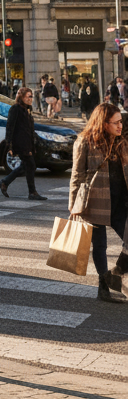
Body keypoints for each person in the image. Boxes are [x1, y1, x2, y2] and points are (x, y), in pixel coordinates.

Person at [69, 102, 128, 302]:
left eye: (121, 121)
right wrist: (73, 205)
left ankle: (115, 273)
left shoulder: (121, 140)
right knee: (99, 245)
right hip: (95, 201)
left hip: (121, 202)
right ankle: (103, 288)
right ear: (104, 123)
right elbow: (76, 175)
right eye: (116, 122)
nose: (121, 126)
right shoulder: (84, 141)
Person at [0, 86, 48, 201]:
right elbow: (10, 127)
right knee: (30, 165)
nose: (30, 99)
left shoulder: (27, 109)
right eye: (28, 96)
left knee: (26, 166)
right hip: (20, 143)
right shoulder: (15, 108)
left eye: (31, 96)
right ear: (21, 97)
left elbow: (29, 128)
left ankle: (4, 182)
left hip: (27, 142)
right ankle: (32, 192)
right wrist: (9, 145)